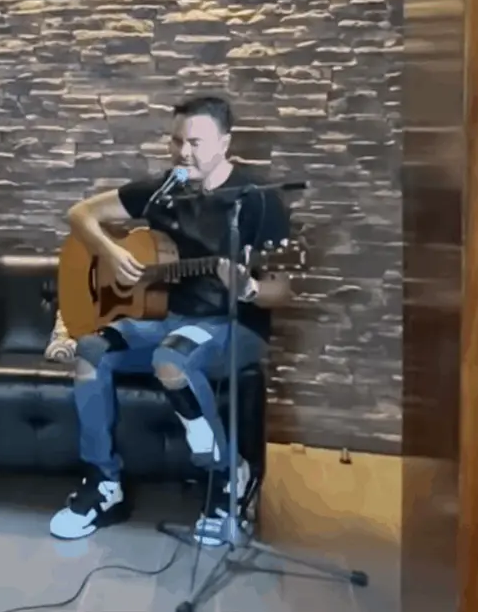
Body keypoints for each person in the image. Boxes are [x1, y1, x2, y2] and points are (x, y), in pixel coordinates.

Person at [49, 96, 294, 545]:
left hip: (235, 326)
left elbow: (283, 288)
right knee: (91, 350)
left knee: (172, 358)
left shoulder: (258, 201)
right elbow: (80, 214)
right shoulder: (165, 190)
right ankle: (104, 484)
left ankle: (226, 477)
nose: (184, 152)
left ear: (225, 143)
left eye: (195, 143)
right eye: (177, 141)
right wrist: (110, 252)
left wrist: (249, 288)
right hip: (170, 321)